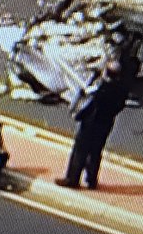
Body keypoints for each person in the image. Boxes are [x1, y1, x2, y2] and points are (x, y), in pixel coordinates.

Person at [56, 55, 131, 190]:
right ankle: (91, 180)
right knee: (96, 152)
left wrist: (79, 115)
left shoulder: (104, 88)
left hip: (92, 121)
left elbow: (93, 105)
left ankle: (72, 178)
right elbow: (119, 105)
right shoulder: (121, 90)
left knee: (80, 150)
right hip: (106, 123)